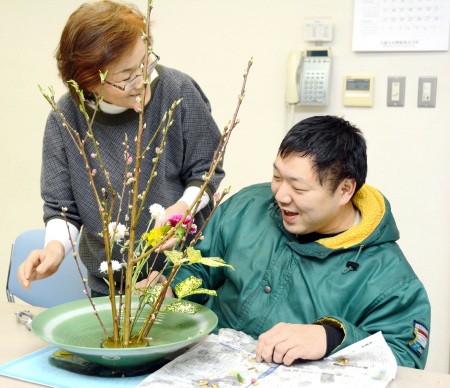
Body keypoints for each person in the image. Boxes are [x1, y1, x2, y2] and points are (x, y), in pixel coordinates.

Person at [160, 115, 431, 369]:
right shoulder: (246, 207)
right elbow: (199, 269)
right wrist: (171, 289)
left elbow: (404, 358)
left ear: (345, 190)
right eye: (277, 177)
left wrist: (331, 337)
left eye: (299, 188)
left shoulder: (391, 279)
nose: (281, 195)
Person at [17, 0, 224, 297]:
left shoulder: (177, 91)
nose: (142, 81)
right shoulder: (66, 119)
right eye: (127, 77)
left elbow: (208, 168)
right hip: (110, 286)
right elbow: (63, 208)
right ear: (89, 82)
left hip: (179, 275)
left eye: (145, 63)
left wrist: (180, 213)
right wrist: (54, 250)